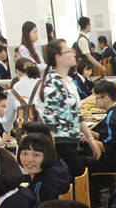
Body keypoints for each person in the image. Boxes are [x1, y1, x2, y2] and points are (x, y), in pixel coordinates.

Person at [41, 40, 104, 177]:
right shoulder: (53, 82)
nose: (73, 54)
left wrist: (91, 139)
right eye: (68, 51)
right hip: (61, 143)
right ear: (58, 57)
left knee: (84, 175)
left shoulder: (68, 80)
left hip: (72, 140)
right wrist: (52, 156)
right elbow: (49, 122)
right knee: (80, 177)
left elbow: (77, 114)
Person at [17, 132, 72, 203]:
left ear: (47, 155)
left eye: (36, 155)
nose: (29, 159)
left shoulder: (42, 187)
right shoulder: (58, 166)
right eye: (25, 153)